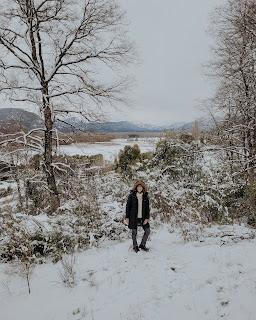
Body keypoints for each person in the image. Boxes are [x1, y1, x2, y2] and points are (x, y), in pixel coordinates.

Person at [125, 180, 150, 253]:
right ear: (136, 188)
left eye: (141, 187)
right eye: (138, 187)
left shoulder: (145, 196)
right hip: (133, 217)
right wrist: (127, 217)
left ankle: (142, 245)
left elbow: (148, 208)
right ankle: (135, 246)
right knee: (134, 232)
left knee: (147, 231)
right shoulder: (131, 195)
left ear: (143, 188)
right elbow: (128, 207)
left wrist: (147, 218)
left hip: (143, 217)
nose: (139, 188)